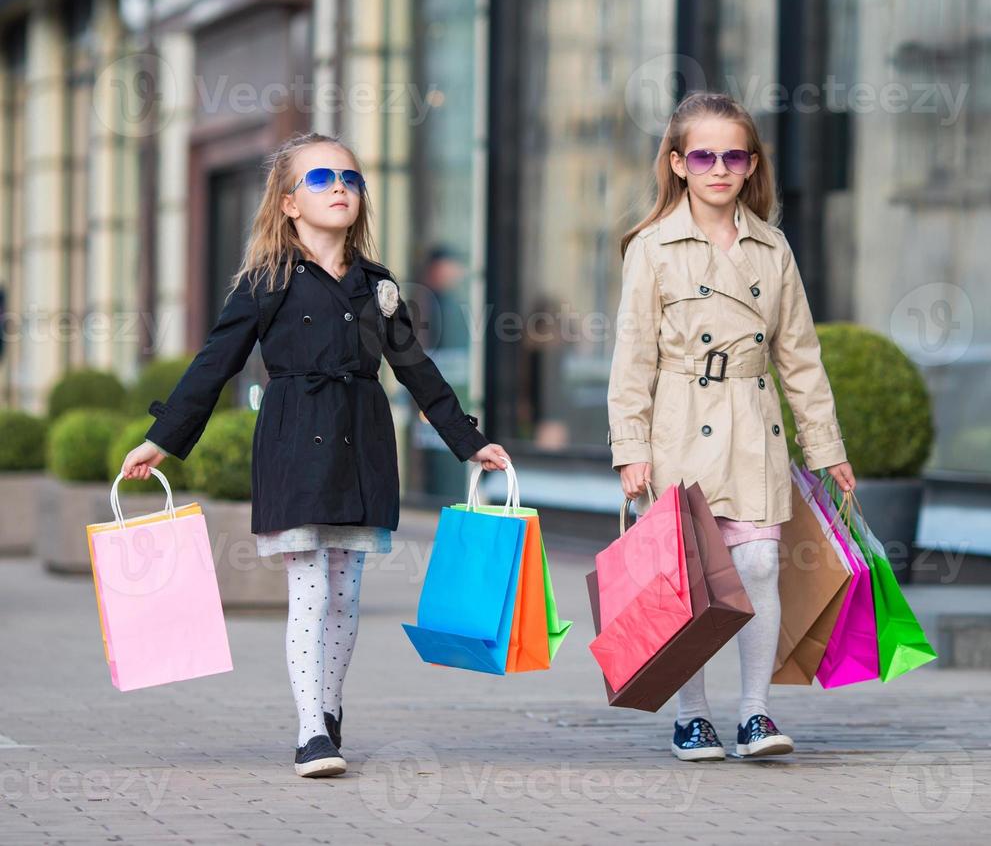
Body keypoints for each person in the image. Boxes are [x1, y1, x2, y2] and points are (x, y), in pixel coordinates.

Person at [120, 132, 510, 779]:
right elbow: (214, 363)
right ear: (289, 201)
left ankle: (328, 712)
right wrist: (163, 439)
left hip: (362, 442)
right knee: (309, 592)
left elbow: (418, 373)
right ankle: (310, 732)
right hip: (295, 441)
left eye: (351, 178)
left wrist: (469, 443)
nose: (340, 187)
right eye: (322, 178)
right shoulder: (265, 282)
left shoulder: (377, 286)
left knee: (344, 592)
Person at [606, 90, 857, 762]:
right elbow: (632, 355)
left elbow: (799, 356)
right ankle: (691, 717)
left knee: (758, 563)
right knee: (684, 580)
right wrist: (629, 446)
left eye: (733, 155)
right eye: (704, 154)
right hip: (678, 426)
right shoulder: (652, 247)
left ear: (751, 165)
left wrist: (826, 446)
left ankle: (755, 714)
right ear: (678, 163)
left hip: (752, 421)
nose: (719, 167)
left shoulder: (771, 248)